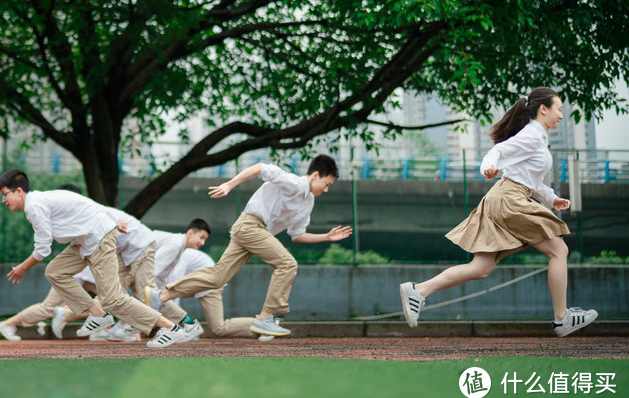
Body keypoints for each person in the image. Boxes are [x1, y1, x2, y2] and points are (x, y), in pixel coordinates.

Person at [399, 87, 598, 337]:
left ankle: (419, 291)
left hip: (505, 197)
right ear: (543, 109)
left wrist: (552, 198)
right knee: (559, 250)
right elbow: (499, 151)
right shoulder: (533, 136)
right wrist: (488, 167)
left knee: (481, 268)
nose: (561, 115)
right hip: (509, 199)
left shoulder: (538, 138)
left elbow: (529, 180)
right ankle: (562, 318)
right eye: (558, 109)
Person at [146, 155, 351, 337]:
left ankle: (161, 296)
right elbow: (261, 167)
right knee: (287, 264)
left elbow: (297, 235)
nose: (326, 190)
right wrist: (229, 184)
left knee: (218, 277)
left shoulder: (308, 203)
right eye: (327, 184)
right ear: (315, 175)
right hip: (250, 226)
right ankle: (265, 318)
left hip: (253, 233)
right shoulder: (294, 183)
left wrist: (326, 237)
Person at [0, 169, 189, 348]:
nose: (3, 200)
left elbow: (42, 249)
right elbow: (89, 204)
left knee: (113, 299)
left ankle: (170, 328)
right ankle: (98, 314)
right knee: (55, 271)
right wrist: (115, 221)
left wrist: (23, 267)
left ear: (19, 191)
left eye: (5, 194)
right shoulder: (46, 197)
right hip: (86, 242)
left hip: (98, 239)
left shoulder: (34, 206)